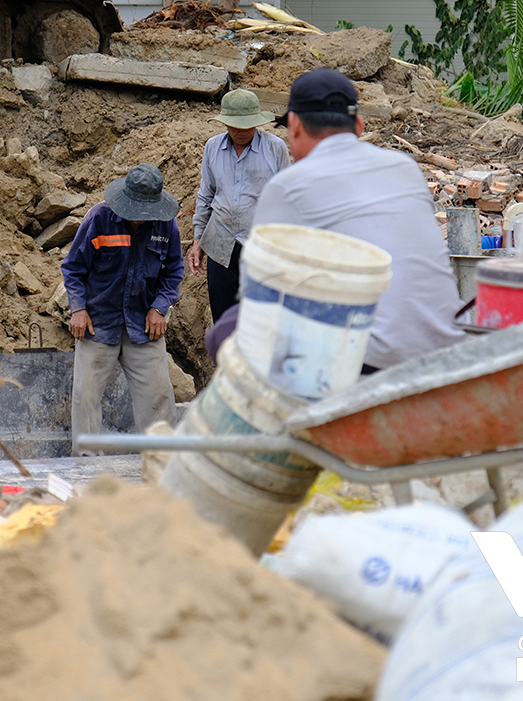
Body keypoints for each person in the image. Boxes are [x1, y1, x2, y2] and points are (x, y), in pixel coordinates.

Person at [252, 68, 465, 371]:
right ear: (359, 126)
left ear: (295, 125)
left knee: (231, 327)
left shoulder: (288, 185)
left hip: (371, 364)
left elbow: (262, 300)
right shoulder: (404, 168)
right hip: (450, 350)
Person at [61, 163, 184, 450]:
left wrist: (160, 307)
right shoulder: (99, 218)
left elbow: (174, 271)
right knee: (85, 398)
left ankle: (160, 467)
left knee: (159, 397)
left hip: (144, 325)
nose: (140, 219)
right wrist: (78, 309)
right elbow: (73, 269)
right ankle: (87, 470)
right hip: (99, 323)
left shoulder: (166, 225)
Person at [188, 88, 292, 322]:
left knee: (261, 320)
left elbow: (287, 199)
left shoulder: (275, 148)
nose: (241, 132)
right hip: (220, 244)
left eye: (247, 126)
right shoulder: (213, 147)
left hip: (261, 248)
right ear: (225, 124)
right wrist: (198, 240)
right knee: (224, 320)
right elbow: (206, 196)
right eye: (235, 126)